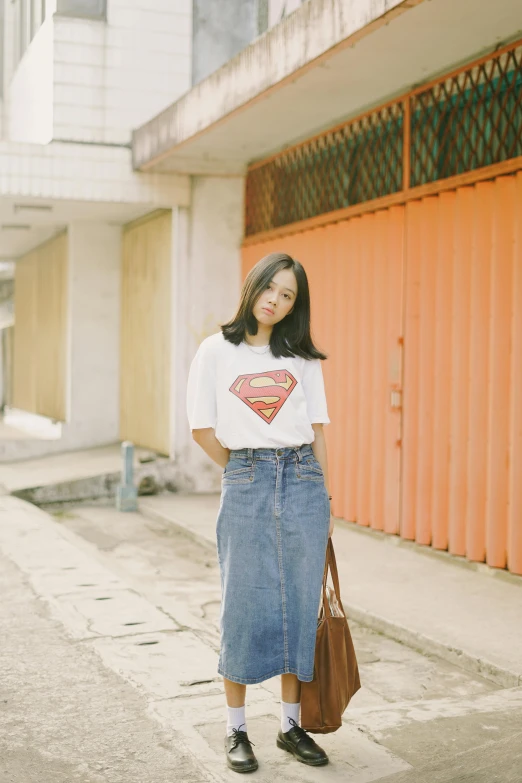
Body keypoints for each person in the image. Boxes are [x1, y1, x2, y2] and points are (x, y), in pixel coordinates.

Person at [186, 252, 333, 773]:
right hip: (246, 478)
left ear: (296, 304)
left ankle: (291, 727)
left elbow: (316, 427)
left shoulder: (301, 358)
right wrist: (244, 468)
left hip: (302, 481)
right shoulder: (215, 351)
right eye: (270, 287)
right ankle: (236, 730)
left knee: (297, 605)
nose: (275, 299)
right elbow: (202, 427)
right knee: (244, 607)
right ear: (253, 287)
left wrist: (324, 496)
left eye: (288, 294)